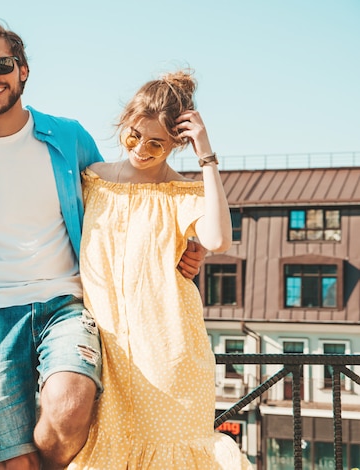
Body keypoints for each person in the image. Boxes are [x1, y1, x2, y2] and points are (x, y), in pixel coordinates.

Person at [0, 22, 205, 469]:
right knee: (14, 463)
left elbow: (125, 195)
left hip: (64, 304)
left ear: (23, 70)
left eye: (2, 65)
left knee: (70, 408)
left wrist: (187, 241)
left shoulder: (67, 136)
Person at [67, 70, 253, 469]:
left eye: (157, 143)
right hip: (107, 346)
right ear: (124, 123)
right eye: (133, 135)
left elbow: (219, 239)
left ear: (176, 143)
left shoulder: (181, 192)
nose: (141, 149)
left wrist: (206, 152)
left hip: (169, 349)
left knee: (170, 452)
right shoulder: (93, 180)